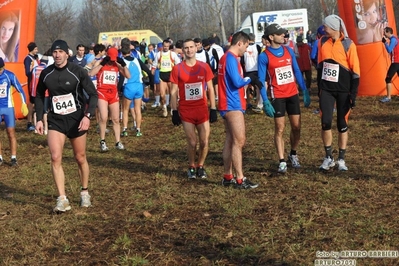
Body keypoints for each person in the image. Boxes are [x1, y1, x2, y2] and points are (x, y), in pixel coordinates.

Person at [34, 40, 98, 212]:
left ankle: (84, 192)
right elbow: (39, 95)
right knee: (55, 157)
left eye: (61, 52)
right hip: (56, 120)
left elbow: (92, 94)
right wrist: (39, 118)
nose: (57, 55)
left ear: (67, 54)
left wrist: (88, 115)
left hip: (77, 119)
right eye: (55, 52)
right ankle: (62, 199)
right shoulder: (46, 73)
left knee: (80, 157)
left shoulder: (77, 72)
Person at [258, 23, 311, 174]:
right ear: (271, 37)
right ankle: (281, 161)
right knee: (280, 128)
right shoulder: (264, 56)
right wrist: (265, 100)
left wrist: (304, 90)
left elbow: (296, 71)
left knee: (296, 127)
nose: (283, 36)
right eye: (280, 34)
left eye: (283, 34)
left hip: (292, 94)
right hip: (278, 96)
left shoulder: (288, 51)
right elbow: (261, 80)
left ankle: (293, 154)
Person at [317, 15, 360, 171]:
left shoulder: (348, 44)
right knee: (325, 122)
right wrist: (318, 89)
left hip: (343, 90)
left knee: (342, 124)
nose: (323, 28)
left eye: (326, 26)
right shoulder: (322, 42)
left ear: (334, 27)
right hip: (326, 90)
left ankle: (341, 159)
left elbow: (355, 72)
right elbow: (320, 66)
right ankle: (328, 157)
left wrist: (353, 95)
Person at [170, 38, 217, 179]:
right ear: (182, 50)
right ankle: (191, 166)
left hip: (202, 109)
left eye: (191, 47)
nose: (189, 50)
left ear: (196, 48)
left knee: (204, 142)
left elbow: (210, 88)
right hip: (186, 109)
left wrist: (213, 108)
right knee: (192, 142)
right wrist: (174, 111)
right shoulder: (177, 68)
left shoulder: (204, 67)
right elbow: (173, 92)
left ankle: (200, 166)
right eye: (186, 48)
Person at [218, 31, 258, 189]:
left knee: (230, 140)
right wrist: (249, 79)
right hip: (232, 104)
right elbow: (236, 82)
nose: (246, 50)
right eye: (246, 46)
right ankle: (240, 179)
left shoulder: (225, 58)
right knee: (239, 141)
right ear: (239, 43)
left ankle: (228, 176)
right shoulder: (231, 59)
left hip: (227, 102)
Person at [89, 47, 130, 152]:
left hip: (113, 94)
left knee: (116, 119)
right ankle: (102, 141)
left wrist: (124, 65)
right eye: (110, 59)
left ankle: (117, 142)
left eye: (113, 59)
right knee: (104, 117)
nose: (112, 61)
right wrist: (102, 64)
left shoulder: (117, 65)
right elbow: (91, 73)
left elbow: (128, 75)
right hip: (102, 93)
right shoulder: (101, 63)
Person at [120, 45, 154, 137]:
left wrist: (119, 89)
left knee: (125, 110)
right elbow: (147, 70)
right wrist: (151, 82)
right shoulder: (137, 60)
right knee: (138, 109)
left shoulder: (122, 62)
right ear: (130, 52)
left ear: (122, 54)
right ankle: (138, 130)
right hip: (139, 86)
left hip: (129, 86)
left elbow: (122, 77)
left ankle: (125, 129)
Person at [0, 57, 28, 166]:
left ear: (3, 67)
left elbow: (20, 90)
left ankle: (13, 157)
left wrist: (24, 103)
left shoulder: (9, 75)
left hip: (8, 108)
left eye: (1, 69)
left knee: (11, 133)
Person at [152, 39, 181, 117]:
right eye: (164, 46)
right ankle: (164, 107)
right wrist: (153, 70)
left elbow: (178, 64)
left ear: (169, 46)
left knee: (172, 94)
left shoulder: (173, 54)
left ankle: (172, 109)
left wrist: (177, 72)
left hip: (171, 76)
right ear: (162, 46)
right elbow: (154, 64)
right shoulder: (159, 54)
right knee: (162, 94)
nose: (166, 48)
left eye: (167, 46)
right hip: (162, 76)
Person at [23, 42, 40, 132]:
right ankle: (29, 123)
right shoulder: (28, 59)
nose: (37, 51)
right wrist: (33, 70)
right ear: (32, 49)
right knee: (32, 102)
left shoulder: (36, 58)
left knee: (37, 102)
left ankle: (37, 121)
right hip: (32, 84)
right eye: (36, 49)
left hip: (38, 83)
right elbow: (27, 73)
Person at [380, 27, 399, 103]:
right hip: (397, 62)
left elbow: (389, 50)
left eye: (384, 32)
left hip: (395, 63)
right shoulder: (395, 39)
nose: (384, 34)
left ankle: (388, 97)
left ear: (388, 32)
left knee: (388, 79)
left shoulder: (393, 40)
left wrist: (385, 43)